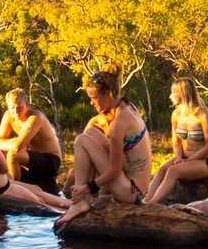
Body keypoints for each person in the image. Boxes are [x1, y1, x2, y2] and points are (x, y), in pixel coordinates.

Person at [60, 70, 149, 221]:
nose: (91, 103)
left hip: (131, 191)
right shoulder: (128, 106)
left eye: (94, 98)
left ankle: (80, 201)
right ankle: (89, 197)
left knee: (81, 140)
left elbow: (115, 170)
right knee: (90, 133)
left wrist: (87, 187)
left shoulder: (118, 123)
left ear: (107, 93)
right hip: (134, 186)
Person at [0, 99, 63, 211]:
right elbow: (4, 168)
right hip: (2, 189)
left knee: (36, 189)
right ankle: (66, 209)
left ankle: (68, 205)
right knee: (40, 201)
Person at [143, 78, 208, 206]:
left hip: (203, 162)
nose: (170, 96)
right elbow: (176, 142)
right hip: (184, 158)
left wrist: (188, 161)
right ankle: (145, 200)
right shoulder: (176, 114)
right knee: (162, 169)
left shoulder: (203, 114)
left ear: (183, 93)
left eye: (173, 92)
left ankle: (152, 204)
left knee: (173, 171)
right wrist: (179, 157)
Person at [0, 89, 61, 188]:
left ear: (27, 105)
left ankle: (14, 189)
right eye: (12, 108)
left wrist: (14, 143)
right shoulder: (8, 115)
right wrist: (13, 141)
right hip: (30, 158)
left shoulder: (35, 118)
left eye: (19, 108)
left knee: (13, 154)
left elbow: (18, 146)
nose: (15, 112)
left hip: (50, 160)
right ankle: (0, 182)